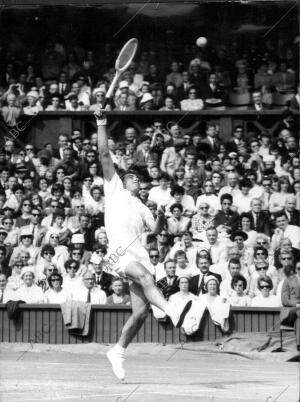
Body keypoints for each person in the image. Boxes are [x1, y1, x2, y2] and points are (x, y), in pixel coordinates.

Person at [94, 106, 197, 381]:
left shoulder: (143, 207)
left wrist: (162, 217)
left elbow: (156, 230)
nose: (134, 180)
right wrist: (102, 122)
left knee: (140, 314)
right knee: (146, 276)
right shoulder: (113, 188)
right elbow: (104, 153)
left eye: (138, 179)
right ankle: (173, 308)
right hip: (118, 255)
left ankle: (117, 351)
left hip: (139, 254)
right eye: (130, 177)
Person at [280, 264, 300, 351]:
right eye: (299, 268)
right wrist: (295, 304)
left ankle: (299, 344)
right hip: (291, 308)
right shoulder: (287, 281)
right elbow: (284, 300)